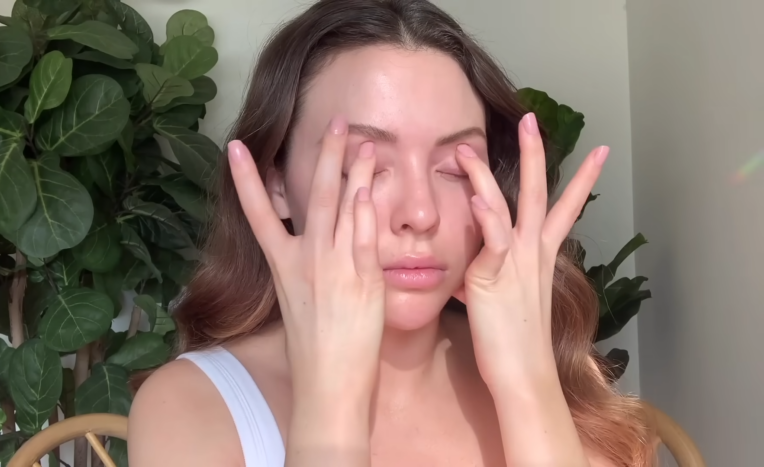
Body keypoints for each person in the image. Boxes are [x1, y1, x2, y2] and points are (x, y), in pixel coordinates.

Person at [128, 0, 656, 465]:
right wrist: (331, 408)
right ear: (276, 184)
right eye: (365, 165)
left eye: (454, 167)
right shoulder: (194, 406)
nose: (420, 214)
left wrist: (529, 385)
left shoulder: (550, 382)